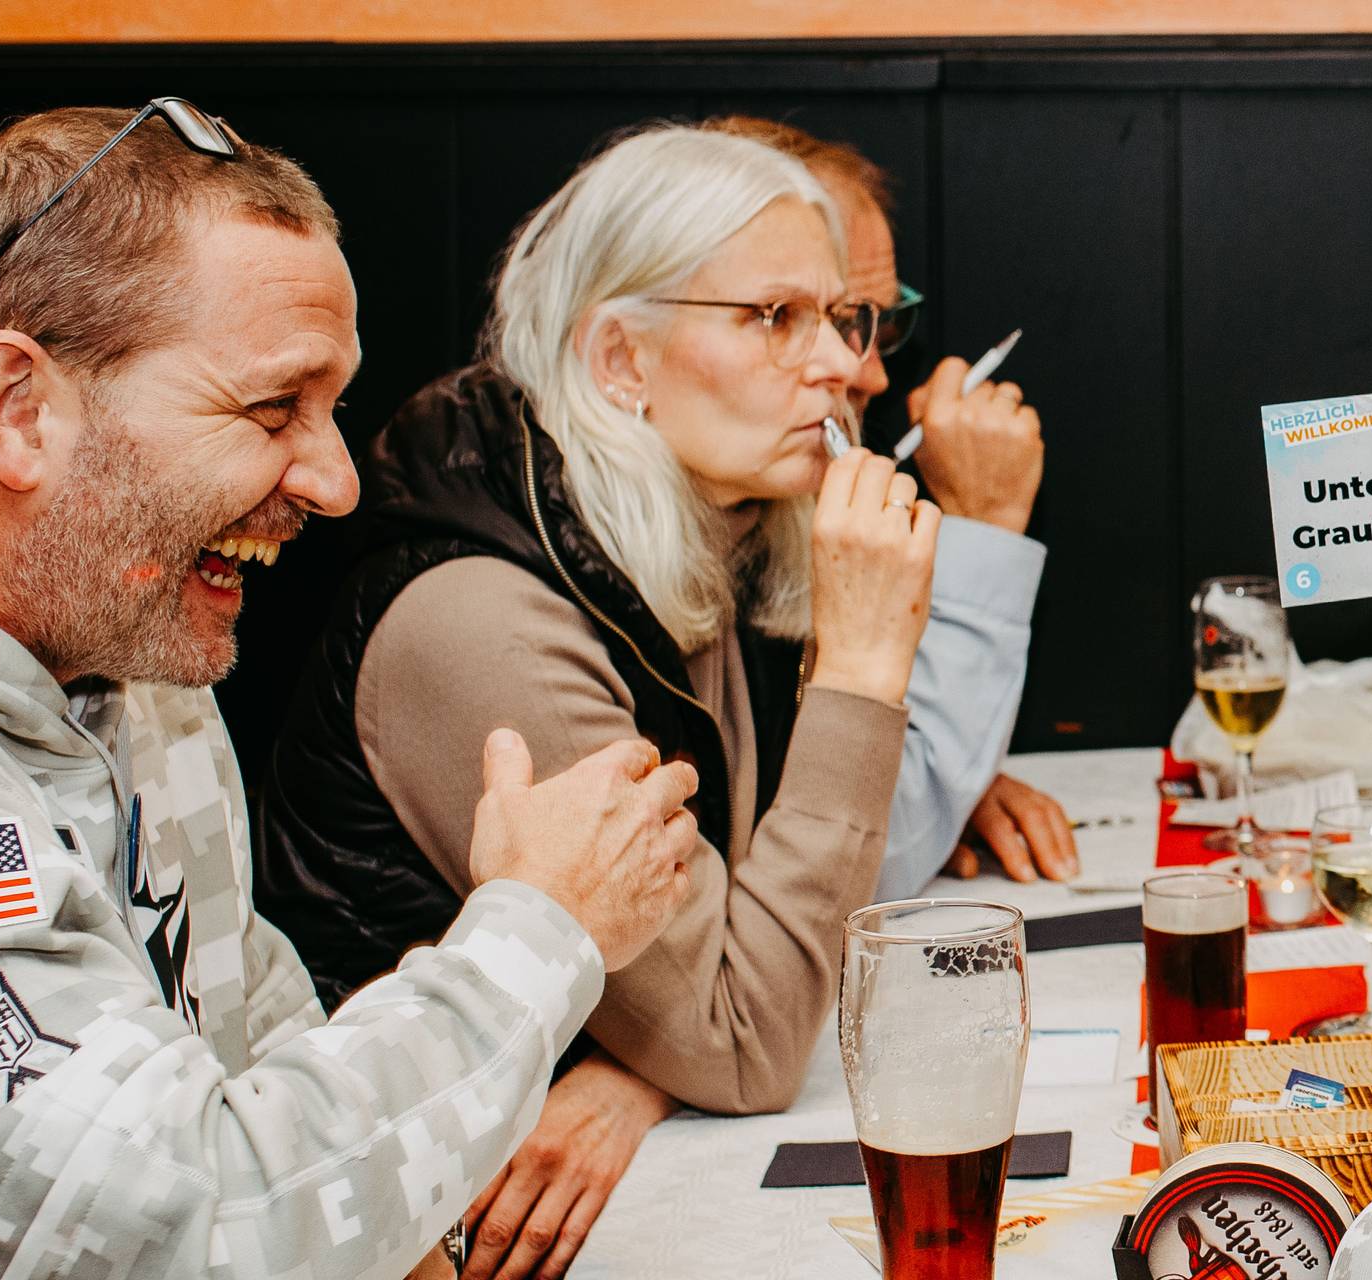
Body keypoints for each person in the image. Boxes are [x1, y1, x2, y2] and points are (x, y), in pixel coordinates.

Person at [0, 102, 700, 1280]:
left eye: (332, 409)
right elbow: (189, 1234)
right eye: (269, 407)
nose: (338, 480)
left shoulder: (131, 645)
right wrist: (541, 928)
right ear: (16, 408)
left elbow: (252, 1038)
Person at [254, 124, 953, 1280]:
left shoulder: (676, 525)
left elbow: (722, 960)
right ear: (620, 360)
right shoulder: (483, 616)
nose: (837, 364)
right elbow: (750, 1035)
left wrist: (640, 1063)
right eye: (774, 317)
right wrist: (864, 661)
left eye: (838, 318)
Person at [700, 113, 1078, 886]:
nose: (866, 373)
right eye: (799, 317)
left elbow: (858, 815)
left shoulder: (773, 502)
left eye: (871, 321)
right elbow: (865, 874)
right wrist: (980, 519)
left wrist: (928, 779)